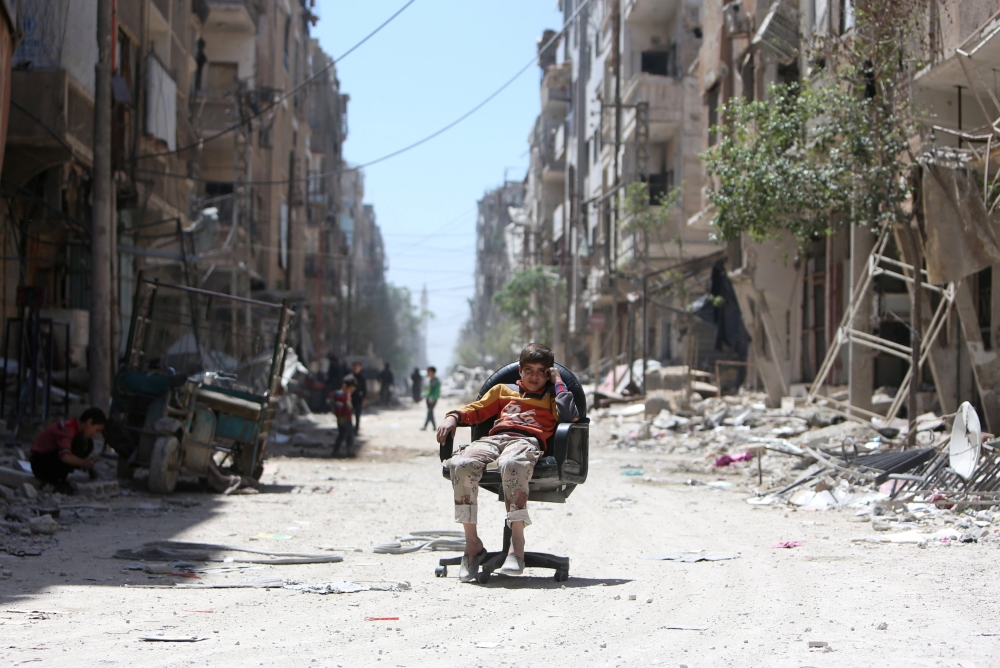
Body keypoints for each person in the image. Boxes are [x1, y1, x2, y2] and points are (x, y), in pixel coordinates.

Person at [436, 343, 578, 580]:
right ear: (520, 370)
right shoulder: (502, 390)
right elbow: (477, 410)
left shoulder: (553, 396)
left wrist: (558, 382)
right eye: (528, 369)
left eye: (541, 371)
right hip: (495, 439)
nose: (533, 376)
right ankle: (472, 546)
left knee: (512, 464)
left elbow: (568, 416)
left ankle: (517, 544)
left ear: (548, 373)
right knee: (460, 464)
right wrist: (453, 417)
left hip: (525, 442)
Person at [30, 408, 107, 494]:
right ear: (89, 422)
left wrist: (89, 468)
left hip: (47, 459)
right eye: (96, 430)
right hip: (40, 463)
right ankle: (55, 482)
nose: (95, 434)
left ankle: (60, 480)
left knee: (88, 443)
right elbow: (65, 456)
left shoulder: (76, 429)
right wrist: (84, 463)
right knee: (81, 442)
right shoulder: (69, 428)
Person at [332, 375, 357, 457]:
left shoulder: (348, 396)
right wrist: (340, 419)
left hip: (348, 420)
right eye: (350, 389)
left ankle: (350, 451)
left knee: (350, 436)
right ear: (345, 386)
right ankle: (336, 451)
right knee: (342, 435)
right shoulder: (340, 397)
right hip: (343, 420)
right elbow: (338, 410)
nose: (351, 391)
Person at [421, 366, 441, 430]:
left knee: (429, 412)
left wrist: (432, 398)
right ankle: (434, 427)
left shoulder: (436, 381)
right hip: (428, 398)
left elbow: (436, 391)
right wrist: (423, 395)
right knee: (430, 412)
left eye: (429, 371)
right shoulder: (428, 380)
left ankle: (425, 426)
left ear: (433, 372)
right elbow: (426, 390)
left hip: (433, 399)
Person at [350, 361, 367, 434]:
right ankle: (349, 428)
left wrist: (364, 398)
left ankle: (356, 428)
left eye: (357, 366)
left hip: (358, 398)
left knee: (357, 414)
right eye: (354, 366)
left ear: (360, 368)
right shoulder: (350, 377)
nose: (355, 368)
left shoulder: (362, 377)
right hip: (350, 398)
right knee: (349, 414)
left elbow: (364, 389)